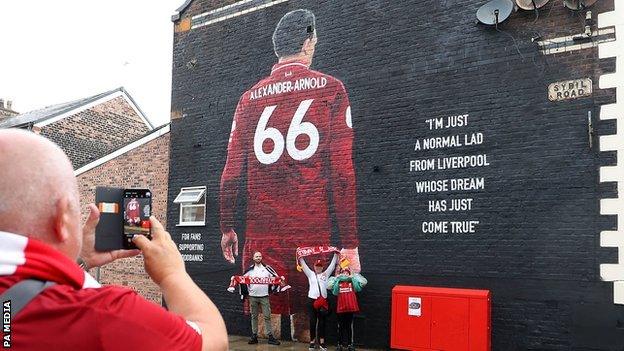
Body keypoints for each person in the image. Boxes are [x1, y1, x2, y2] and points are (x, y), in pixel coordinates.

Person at [0, 129, 228, 351]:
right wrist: (172, 274)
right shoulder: (104, 314)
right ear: (61, 218)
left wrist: (78, 259)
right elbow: (213, 342)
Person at [219, 8, 361, 333]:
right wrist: (350, 243)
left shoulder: (248, 99)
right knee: (310, 315)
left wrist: (227, 226)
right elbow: (342, 174)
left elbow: (230, 174)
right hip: (312, 232)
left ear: (277, 48)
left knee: (265, 315)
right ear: (309, 42)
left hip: (262, 235)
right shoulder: (331, 89)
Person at [239, 251, 282, 345]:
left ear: (261, 258)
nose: (258, 258)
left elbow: (275, 278)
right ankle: (254, 336)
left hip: (264, 296)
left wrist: (280, 280)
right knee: (254, 316)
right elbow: (241, 280)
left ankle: (270, 336)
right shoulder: (250, 270)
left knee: (267, 316)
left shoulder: (267, 269)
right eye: (256, 256)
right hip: (253, 296)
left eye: (259, 256)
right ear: (253, 258)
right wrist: (234, 280)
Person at [299, 253, 338, 351]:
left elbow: (332, 265)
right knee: (312, 322)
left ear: (322, 267)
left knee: (322, 322)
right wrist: (300, 256)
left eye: (320, 266)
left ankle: (322, 342)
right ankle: (312, 342)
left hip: (323, 302)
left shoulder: (326, 274)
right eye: (317, 266)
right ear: (314, 266)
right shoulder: (310, 274)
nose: (318, 268)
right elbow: (303, 265)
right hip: (312, 301)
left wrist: (336, 254)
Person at [328, 267, 367, 351]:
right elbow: (332, 290)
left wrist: (353, 276)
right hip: (341, 308)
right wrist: (337, 278)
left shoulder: (353, 282)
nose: (345, 274)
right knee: (340, 327)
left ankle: (350, 345)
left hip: (350, 308)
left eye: (347, 273)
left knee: (349, 327)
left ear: (349, 273)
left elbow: (363, 283)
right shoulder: (338, 282)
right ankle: (340, 345)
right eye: (343, 273)